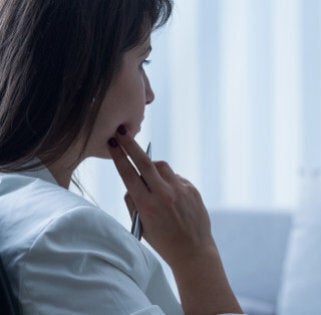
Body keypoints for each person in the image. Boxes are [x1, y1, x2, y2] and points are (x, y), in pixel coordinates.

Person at [0, 1, 243, 314]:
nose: (150, 94)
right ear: (84, 72)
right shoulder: (65, 236)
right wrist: (197, 257)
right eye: (143, 62)